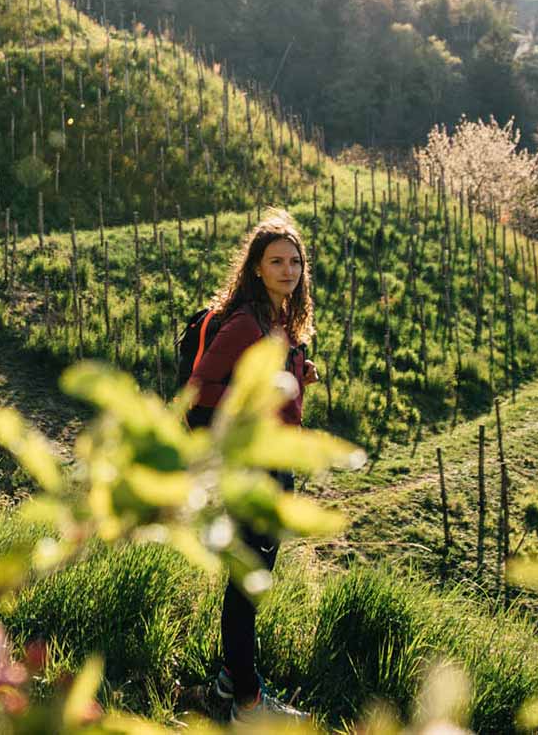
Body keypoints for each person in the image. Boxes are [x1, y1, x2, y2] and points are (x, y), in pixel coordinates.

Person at [185, 209, 319, 722]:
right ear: (256, 269)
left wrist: (297, 373)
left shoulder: (279, 320)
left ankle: (226, 687)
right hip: (254, 466)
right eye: (277, 262)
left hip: (276, 461)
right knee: (248, 585)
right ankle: (247, 704)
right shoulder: (245, 322)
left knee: (256, 576)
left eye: (295, 262)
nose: (288, 271)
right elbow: (200, 392)